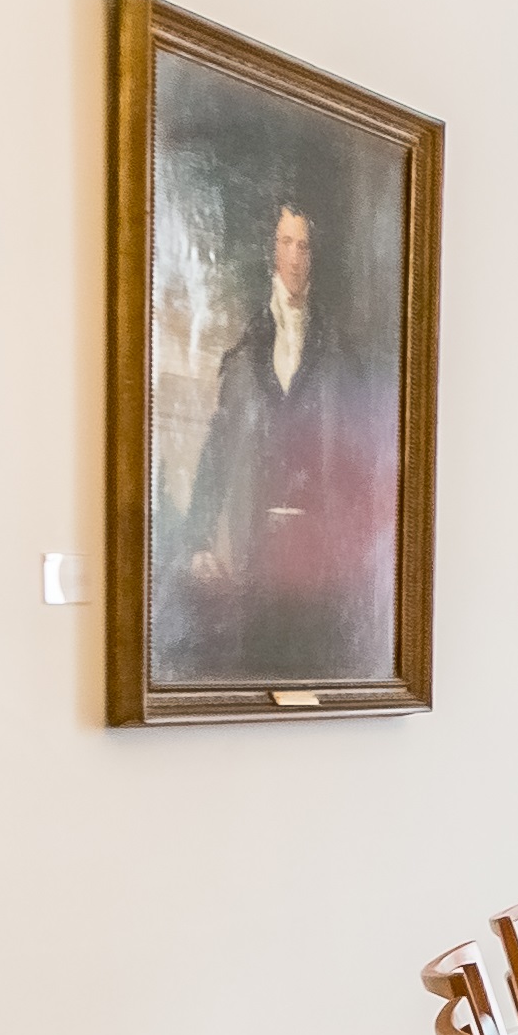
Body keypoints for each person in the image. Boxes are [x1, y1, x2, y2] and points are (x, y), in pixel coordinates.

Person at [179, 196, 387, 676]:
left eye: (304, 246)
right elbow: (219, 448)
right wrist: (198, 539)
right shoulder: (244, 354)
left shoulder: (341, 354)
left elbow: (362, 460)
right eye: (286, 243)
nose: (294, 257)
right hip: (256, 550)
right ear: (271, 249)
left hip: (324, 553)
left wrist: (358, 549)